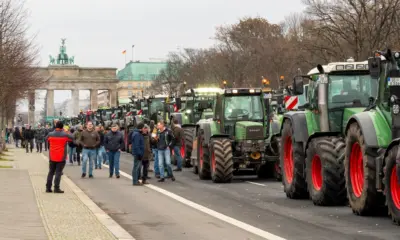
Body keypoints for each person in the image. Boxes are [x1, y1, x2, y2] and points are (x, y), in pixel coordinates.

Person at [45, 121, 74, 193]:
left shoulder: (50, 134)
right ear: (62, 127)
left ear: (55, 126)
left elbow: (46, 139)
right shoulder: (65, 135)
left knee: (51, 172)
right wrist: (66, 131)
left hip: (52, 156)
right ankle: (56, 188)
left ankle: (48, 188)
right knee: (58, 172)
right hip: (61, 157)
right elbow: (72, 138)